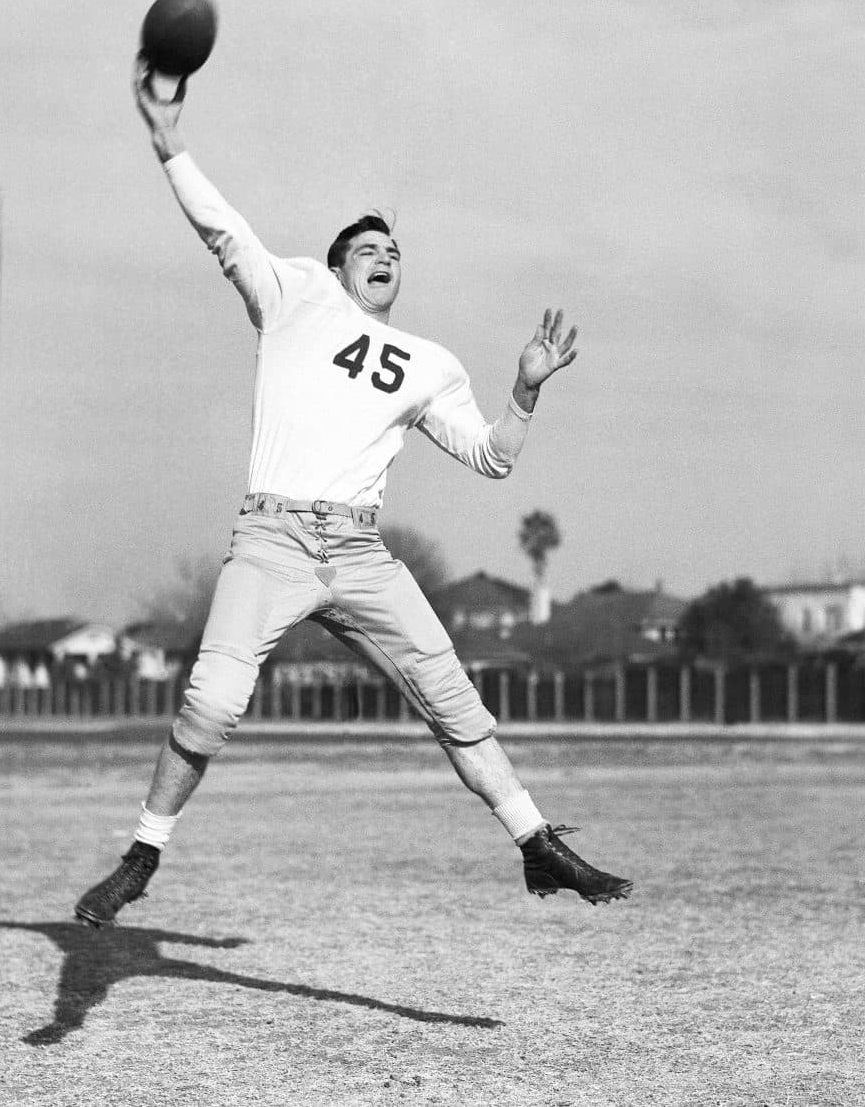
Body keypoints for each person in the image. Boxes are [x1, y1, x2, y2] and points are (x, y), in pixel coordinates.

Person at [74, 58, 632, 927]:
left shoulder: (429, 362)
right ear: (337, 270)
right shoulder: (292, 293)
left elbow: (491, 459)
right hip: (273, 540)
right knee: (213, 700)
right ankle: (143, 855)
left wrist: (525, 389)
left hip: (362, 552)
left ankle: (538, 847)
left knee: (455, 699)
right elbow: (221, 228)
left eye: (395, 252)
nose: (385, 258)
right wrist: (169, 139)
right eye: (368, 250)